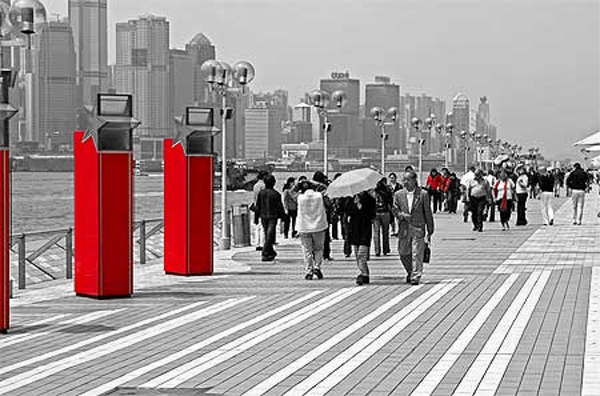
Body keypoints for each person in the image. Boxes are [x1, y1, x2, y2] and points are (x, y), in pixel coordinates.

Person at [393, 170, 434, 286]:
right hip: (404, 228)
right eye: (403, 179)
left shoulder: (423, 194)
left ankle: (416, 276)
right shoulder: (398, 194)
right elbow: (394, 210)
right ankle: (410, 271)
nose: (404, 182)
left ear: (414, 180)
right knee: (403, 253)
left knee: (417, 253)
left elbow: (428, 212)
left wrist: (430, 229)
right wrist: (402, 215)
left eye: (407, 180)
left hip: (418, 227)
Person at [296, 180, 329, 280]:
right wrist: (314, 183)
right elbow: (327, 189)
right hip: (319, 226)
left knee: (307, 250)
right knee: (318, 248)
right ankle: (317, 267)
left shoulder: (300, 197)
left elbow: (291, 192)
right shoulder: (319, 196)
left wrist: (298, 184)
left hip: (304, 227)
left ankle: (308, 271)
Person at [346, 191, 376, 286]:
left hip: (365, 230)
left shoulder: (370, 199)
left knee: (361, 255)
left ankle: (363, 274)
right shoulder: (351, 199)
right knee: (357, 255)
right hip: (354, 230)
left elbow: (372, 215)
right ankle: (365, 274)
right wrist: (354, 204)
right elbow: (347, 212)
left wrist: (360, 206)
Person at [254, 174, 285, 262]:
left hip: (263, 216)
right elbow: (280, 207)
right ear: (274, 183)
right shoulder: (276, 194)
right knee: (269, 235)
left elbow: (258, 206)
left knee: (268, 234)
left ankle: (270, 252)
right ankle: (265, 253)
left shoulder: (261, 193)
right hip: (272, 216)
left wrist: (256, 218)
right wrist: (283, 217)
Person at [312, 171, 333, 260]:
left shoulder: (310, 188)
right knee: (325, 234)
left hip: (313, 213)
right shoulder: (323, 188)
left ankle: (314, 253)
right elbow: (328, 202)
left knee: (314, 234)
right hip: (324, 213)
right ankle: (326, 254)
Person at [372, 177, 393, 257]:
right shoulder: (387, 190)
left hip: (376, 213)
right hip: (385, 213)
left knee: (376, 233)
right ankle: (385, 249)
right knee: (385, 232)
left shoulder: (373, 191)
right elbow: (390, 202)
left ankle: (377, 250)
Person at [251, 170, 268, 251]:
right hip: (263, 208)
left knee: (257, 226)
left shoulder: (256, 185)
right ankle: (262, 243)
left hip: (256, 207)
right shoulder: (263, 185)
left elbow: (255, 198)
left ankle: (257, 243)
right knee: (263, 227)